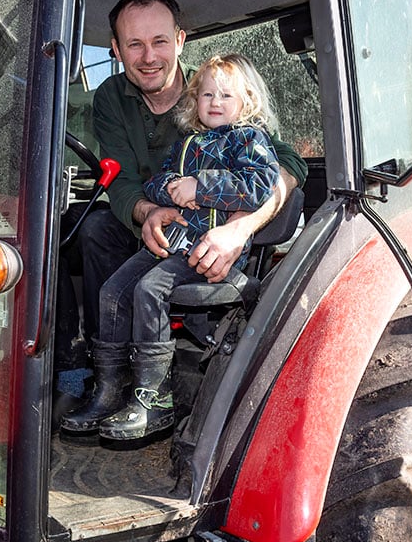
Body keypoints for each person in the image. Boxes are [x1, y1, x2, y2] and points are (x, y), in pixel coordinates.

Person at [56, 0, 307, 409]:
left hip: (203, 233)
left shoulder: (215, 92)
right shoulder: (110, 98)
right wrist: (149, 210)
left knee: (142, 270)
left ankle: (153, 384)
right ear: (116, 50)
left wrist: (238, 229)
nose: (149, 56)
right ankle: (101, 375)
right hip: (148, 223)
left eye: (159, 41)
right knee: (87, 227)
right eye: (134, 44)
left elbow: (287, 164)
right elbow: (119, 180)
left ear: (180, 40)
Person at [63, 54, 282, 439]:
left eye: (226, 95)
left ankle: (154, 400)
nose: (215, 102)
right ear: (195, 100)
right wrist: (167, 190)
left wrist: (201, 187)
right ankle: (110, 389)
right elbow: (156, 180)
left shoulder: (250, 139)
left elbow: (259, 186)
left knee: (150, 290)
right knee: (113, 291)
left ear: (246, 101)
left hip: (206, 251)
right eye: (207, 94)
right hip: (173, 241)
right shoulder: (189, 143)